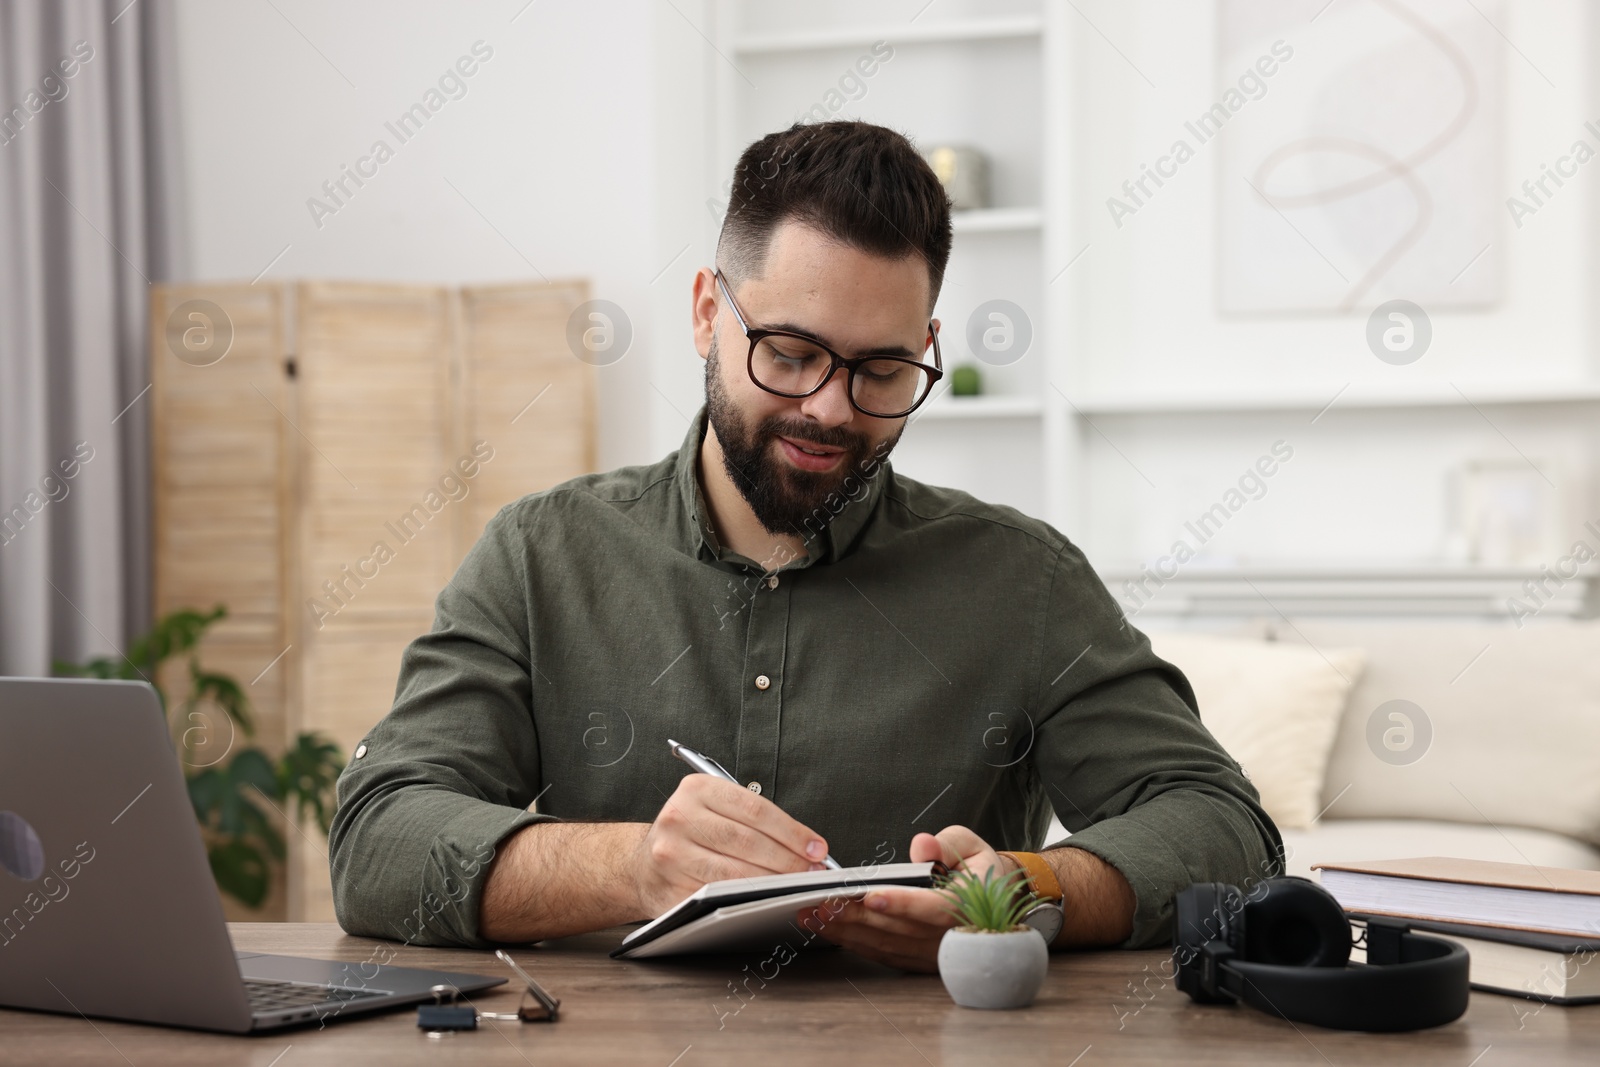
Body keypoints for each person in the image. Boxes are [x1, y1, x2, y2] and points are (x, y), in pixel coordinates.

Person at [328, 120, 1281, 973]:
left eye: (882, 369)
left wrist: (1021, 892)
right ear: (708, 310)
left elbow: (1226, 827)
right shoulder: (542, 555)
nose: (830, 407)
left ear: (927, 346)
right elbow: (379, 837)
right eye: (789, 352)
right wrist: (630, 868)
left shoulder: (1022, 580)